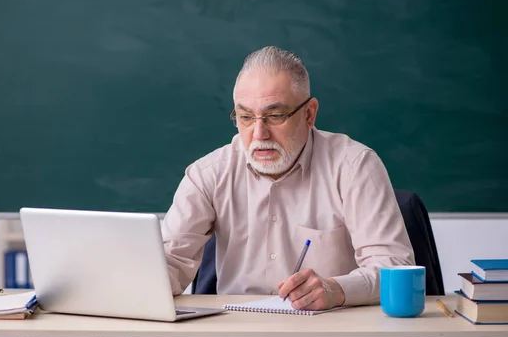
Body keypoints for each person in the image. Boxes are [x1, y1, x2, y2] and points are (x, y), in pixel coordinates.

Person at [161, 46, 415, 311]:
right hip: (237, 333)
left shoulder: (354, 165)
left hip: (331, 331)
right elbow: (169, 261)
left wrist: (336, 290)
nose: (259, 134)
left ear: (309, 114)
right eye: (246, 117)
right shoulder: (208, 173)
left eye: (275, 116)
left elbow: (394, 267)